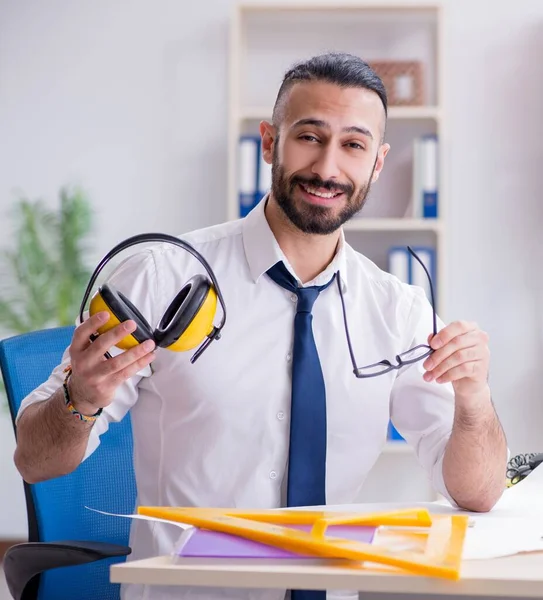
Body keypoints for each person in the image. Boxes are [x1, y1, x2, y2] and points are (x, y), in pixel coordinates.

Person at [13, 52, 508, 600]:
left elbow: (477, 494)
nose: (327, 169)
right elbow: (34, 460)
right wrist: (79, 398)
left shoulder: (398, 311)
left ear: (377, 163)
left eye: (353, 145)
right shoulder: (163, 276)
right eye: (310, 136)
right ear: (270, 142)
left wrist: (475, 400)